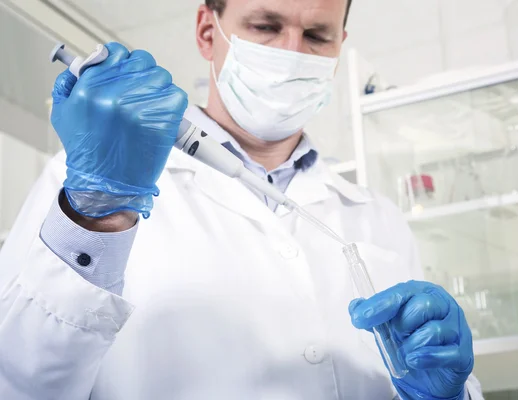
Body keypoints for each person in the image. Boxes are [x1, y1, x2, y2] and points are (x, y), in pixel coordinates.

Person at [0, 0, 483, 399]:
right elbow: (18, 381)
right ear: (208, 31)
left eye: (317, 36)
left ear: (339, 48)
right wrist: (95, 215)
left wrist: (448, 396)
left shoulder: (379, 218)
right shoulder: (89, 182)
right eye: (266, 26)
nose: (293, 51)